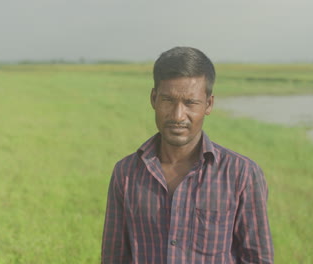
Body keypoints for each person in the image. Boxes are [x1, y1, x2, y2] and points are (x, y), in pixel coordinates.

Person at [102, 47, 274, 264]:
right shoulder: (126, 173)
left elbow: (258, 259)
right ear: (154, 99)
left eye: (190, 103)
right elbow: (114, 257)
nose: (177, 115)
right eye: (168, 100)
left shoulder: (242, 174)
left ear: (208, 104)